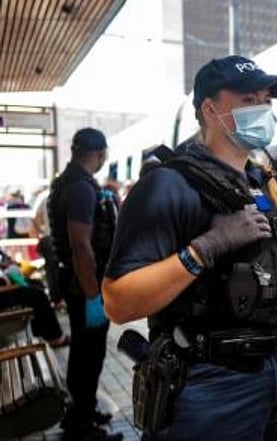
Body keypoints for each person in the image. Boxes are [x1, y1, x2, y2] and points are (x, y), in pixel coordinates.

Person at [102, 55, 277, 440]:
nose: (264, 110)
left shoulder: (266, 180)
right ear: (210, 109)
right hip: (210, 384)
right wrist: (205, 249)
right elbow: (119, 302)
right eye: (249, 99)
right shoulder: (168, 186)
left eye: (267, 100)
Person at [47, 127, 122, 441]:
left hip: (77, 280)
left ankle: (84, 410)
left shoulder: (68, 182)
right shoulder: (80, 188)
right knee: (88, 354)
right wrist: (93, 295)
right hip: (84, 284)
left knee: (84, 350)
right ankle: (80, 424)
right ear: (101, 153)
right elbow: (82, 247)